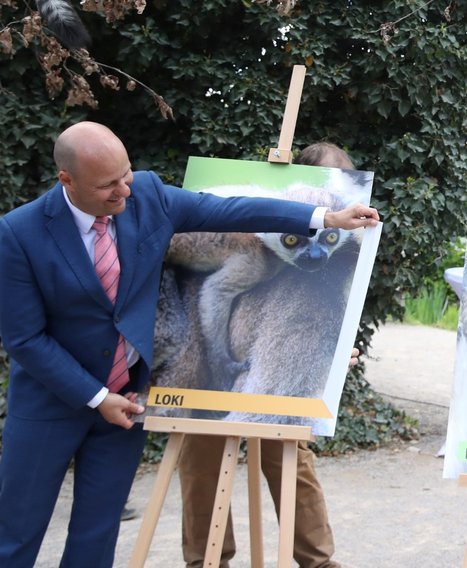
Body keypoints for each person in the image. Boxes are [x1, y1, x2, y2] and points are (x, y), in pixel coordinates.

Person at [0, 122, 379, 568]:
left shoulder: (148, 195)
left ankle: (313, 557)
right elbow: (24, 337)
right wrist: (97, 396)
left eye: (126, 174)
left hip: (125, 400)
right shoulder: (18, 232)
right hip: (56, 401)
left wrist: (324, 219)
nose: (125, 189)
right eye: (108, 184)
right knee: (17, 535)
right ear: (67, 179)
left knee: (96, 536)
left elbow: (235, 209)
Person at [177, 141, 359, 568]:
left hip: (267, 346)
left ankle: (316, 559)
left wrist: (336, 351)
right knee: (201, 450)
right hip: (207, 336)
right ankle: (206, 559)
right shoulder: (258, 221)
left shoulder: (341, 243)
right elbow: (213, 291)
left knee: (290, 453)